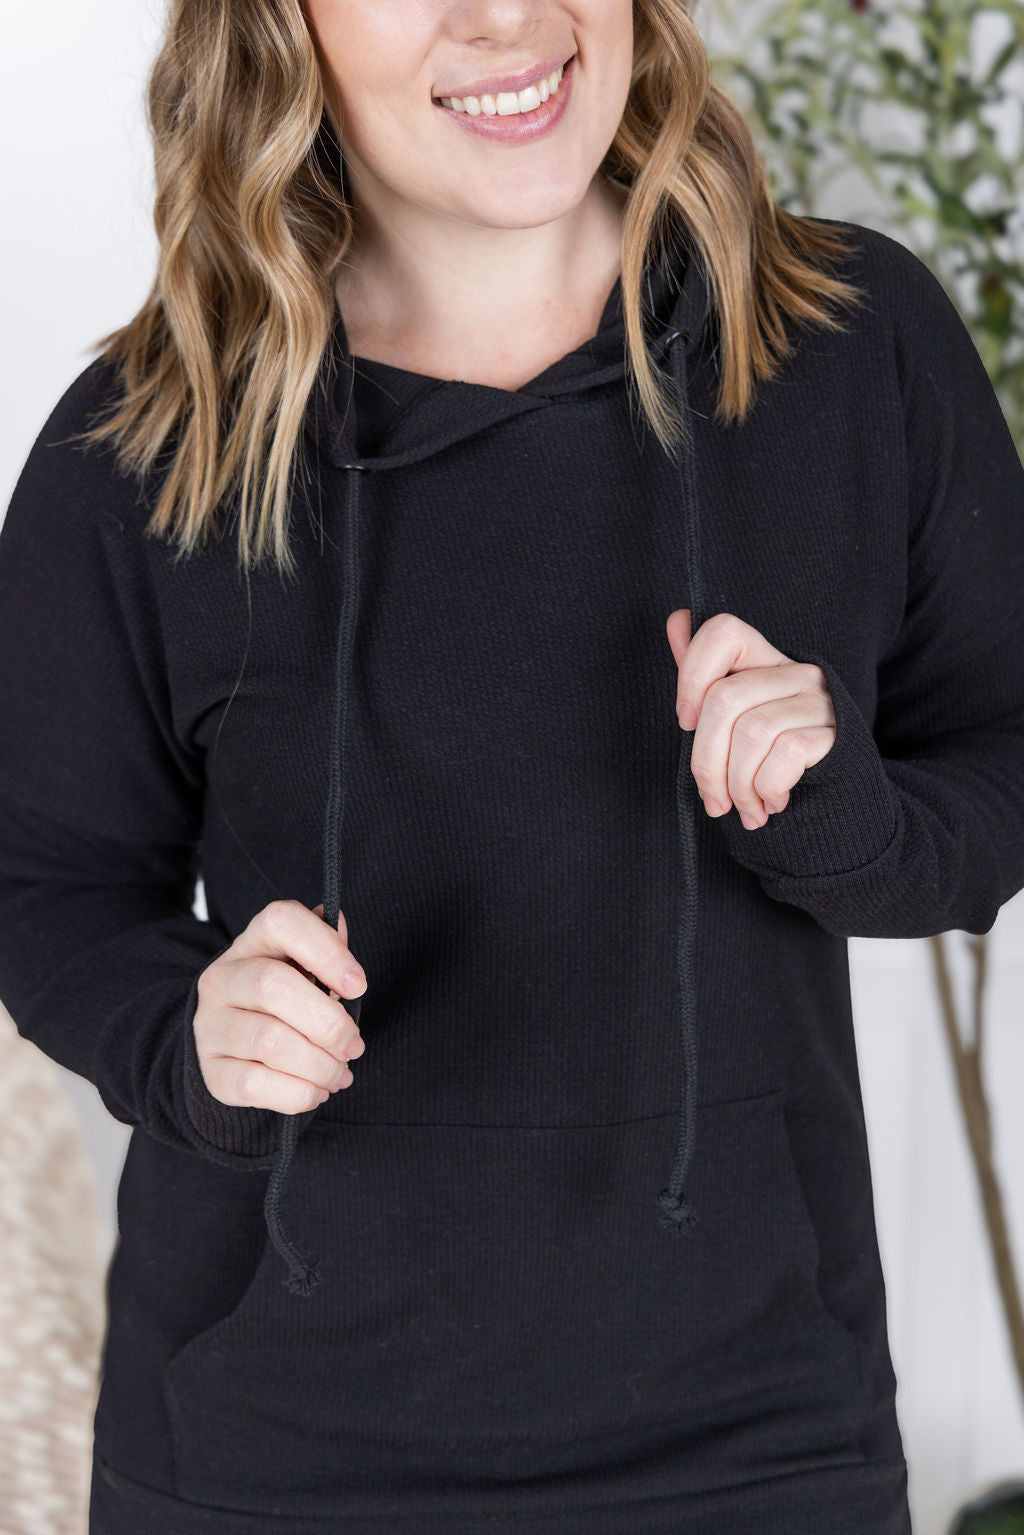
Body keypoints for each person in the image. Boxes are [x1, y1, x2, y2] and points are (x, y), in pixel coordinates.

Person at [1, 0, 1022, 1529]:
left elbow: (1000, 770)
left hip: (759, 1449)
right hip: (271, 1463)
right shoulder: (150, 446)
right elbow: (49, 889)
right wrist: (189, 1033)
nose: (508, 18)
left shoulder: (845, 346)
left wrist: (847, 814)